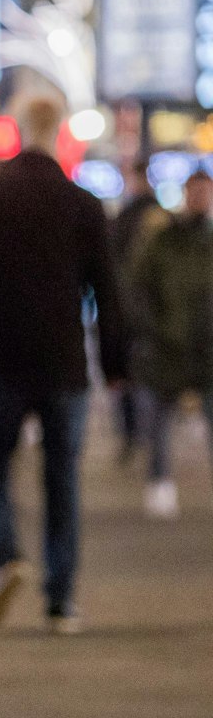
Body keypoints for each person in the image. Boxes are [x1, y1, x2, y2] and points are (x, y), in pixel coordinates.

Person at [0, 96, 127, 634]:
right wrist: (115, 363)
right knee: (62, 479)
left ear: (19, 130)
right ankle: (60, 600)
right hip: (62, 361)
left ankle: (4, 556)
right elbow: (106, 293)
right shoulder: (83, 205)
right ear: (61, 131)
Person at [128, 170, 213, 520]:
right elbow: (138, 287)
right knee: (159, 420)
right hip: (167, 346)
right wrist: (153, 329)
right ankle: (160, 483)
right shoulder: (162, 240)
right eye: (195, 192)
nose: (200, 199)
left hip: (207, 349)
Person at [111, 156, 168, 467]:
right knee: (140, 379)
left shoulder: (132, 216)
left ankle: (134, 434)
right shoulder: (157, 215)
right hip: (143, 312)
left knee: (133, 377)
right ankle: (138, 435)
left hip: (134, 311)